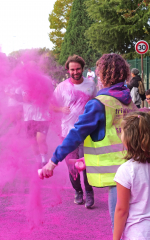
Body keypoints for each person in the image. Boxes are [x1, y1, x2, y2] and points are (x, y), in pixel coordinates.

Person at [40, 53, 138, 229]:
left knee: (120, 226)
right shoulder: (128, 101)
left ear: (104, 75)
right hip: (135, 168)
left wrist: (53, 161)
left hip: (117, 175)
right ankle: (81, 192)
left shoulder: (99, 103)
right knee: (135, 222)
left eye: (99, 73)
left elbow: (76, 133)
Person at [51, 55, 96, 208]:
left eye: (78, 69)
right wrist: (60, 109)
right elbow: (51, 106)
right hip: (68, 133)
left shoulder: (91, 85)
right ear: (68, 70)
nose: (75, 72)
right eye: (72, 69)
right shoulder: (61, 87)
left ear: (83, 69)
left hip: (87, 132)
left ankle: (89, 193)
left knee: (87, 164)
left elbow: (96, 104)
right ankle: (78, 191)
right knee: (72, 166)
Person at [113, 112, 150, 240]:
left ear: (128, 139)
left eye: (121, 132)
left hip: (138, 233)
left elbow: (121, 210)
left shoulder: (126, 171)